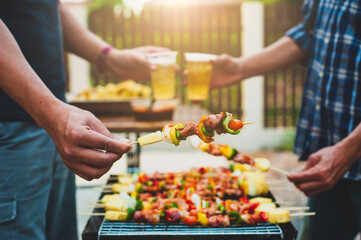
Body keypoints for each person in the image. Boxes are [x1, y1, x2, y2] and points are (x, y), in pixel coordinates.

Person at [0, 1, 168, 239]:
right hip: (9, 129)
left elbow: (46, 6)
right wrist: (48, 109)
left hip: (51, 118)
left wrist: (111, 58)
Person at [209, 0, 361, 239]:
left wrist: (350, 148)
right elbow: (309, 34)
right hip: (328, 156)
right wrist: (239, 68)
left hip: (347, 151)